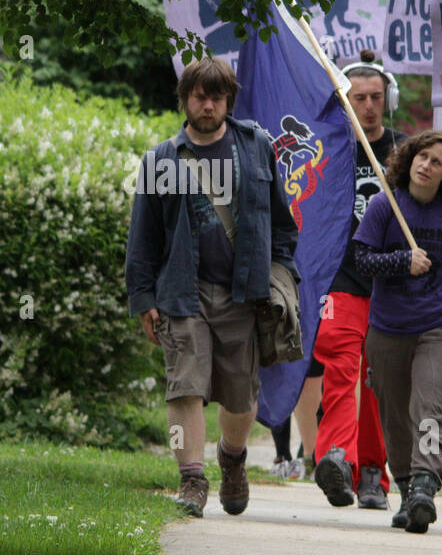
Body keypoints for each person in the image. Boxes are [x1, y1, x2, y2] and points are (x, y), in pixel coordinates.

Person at [126, 57, 299, 517]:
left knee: (241, 395)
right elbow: (142, 236)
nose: (207, 105)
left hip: (244, 292)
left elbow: (282, 223)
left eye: (216, 97)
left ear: (228, 101)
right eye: (199, 96)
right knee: (185, 387)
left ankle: (233, 458)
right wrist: (144, 297)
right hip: (183, 291)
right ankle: (191, 480)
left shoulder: (256, 146)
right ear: (184, 101)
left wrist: (282, 276)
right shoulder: (160, 159)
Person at [353, 130, 442, 533]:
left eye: (436, 162)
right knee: (396, 414)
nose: (425, 165)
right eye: (421, 156)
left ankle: (425, 486)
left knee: (431, 403)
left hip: (441, 326)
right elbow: (361, 259)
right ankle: (405, 489)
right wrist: (402, 261)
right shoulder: (385, 204)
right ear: (409, 159)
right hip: (388, 328)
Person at [310, 51, 409, 510]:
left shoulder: (407, 153)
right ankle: (335, 458)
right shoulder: (329, 151)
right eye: (358, 98)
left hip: (392, 285)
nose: (367, 106)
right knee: (340, 363)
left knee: (377, 378)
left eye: (375, 97)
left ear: (387, 98)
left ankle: (373, 470)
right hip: (342, 278)